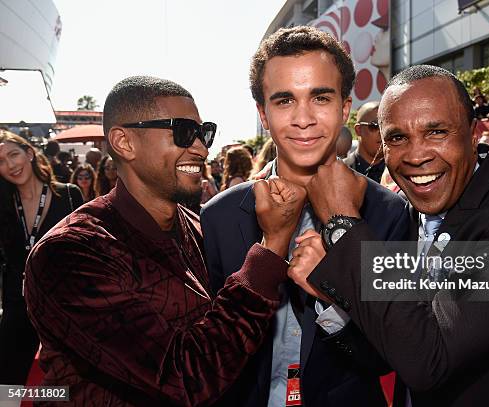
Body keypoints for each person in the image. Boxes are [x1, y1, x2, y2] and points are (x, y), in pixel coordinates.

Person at [286, 65, 489, 406]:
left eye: (436, 132)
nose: (416, 155)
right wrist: (334, 299)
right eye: (397, 138)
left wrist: (343, 224)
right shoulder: (405, 215)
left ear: (472, 135)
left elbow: (428, 359)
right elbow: (393, 347)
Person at [23, 75, 307, 405]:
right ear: (124, 142)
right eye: (184, 132)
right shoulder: (70, 253)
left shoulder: (199, 225)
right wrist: (272, 247)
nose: (201, 148)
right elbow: (186, 377)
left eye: (204, 133)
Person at [201, 26, 409, 407]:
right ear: (263, 113)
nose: (303, 118)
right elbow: (208, 357)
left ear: (345, 107)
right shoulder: (219, 217)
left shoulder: (388, 212)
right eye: (284, 101)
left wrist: (332, 295)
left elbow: (393, 356)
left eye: (320, 97)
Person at [0, 130, 83, 385]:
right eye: (0, 161)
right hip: (18, 305)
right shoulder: (3, 203)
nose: (10, 165)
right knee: (7, 385)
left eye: (14, 154)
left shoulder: (69, 195)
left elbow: (86, 251)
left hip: (63, 306)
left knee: (68, 385)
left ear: (29, 153)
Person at [344, 101, 386, 183]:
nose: (382, 132)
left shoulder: (399, 172)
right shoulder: (341, 170)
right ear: (358, 130)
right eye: (374, 126)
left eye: (385, 126)